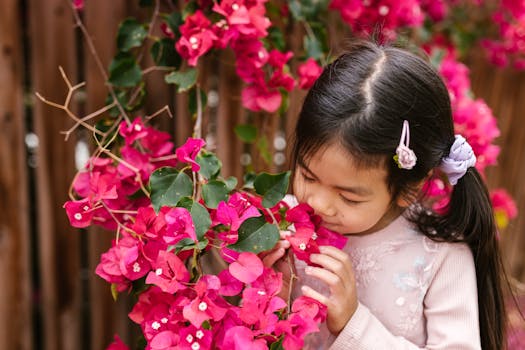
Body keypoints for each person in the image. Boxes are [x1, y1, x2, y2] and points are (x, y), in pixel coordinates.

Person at [263, 41, 506, 349]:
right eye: (308, 176)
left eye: (349, 197)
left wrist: (354, 326)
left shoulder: (441, 257)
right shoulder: (279, 223)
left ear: (407, 190)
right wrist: (274, 289)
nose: (317, 203)